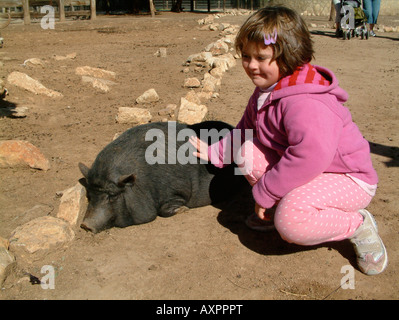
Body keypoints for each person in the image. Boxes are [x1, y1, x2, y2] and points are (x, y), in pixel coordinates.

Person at [189, 5, 388, 275]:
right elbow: (246, 129)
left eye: (261, 57)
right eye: (246, 56)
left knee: (291, 223)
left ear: (289, 56)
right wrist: (216, 152)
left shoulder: (305, 102)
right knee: (247, 151)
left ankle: (356, 224)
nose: (250, 65)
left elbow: (309, 156)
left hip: (348, 179)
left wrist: (266, 192)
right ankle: (282, 208)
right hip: (312, 171)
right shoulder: (266, 91)